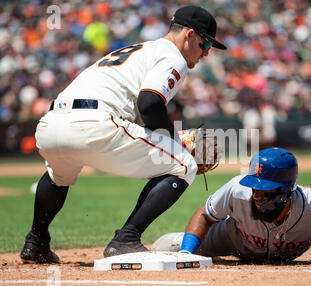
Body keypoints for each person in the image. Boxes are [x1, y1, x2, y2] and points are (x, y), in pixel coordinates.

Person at [20, 5, 227, 264]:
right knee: (184, 165)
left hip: (52, 125)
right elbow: (150, 103)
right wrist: (174, 142)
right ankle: (126, 239)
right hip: (95, 124)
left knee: (58, 175)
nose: (206, 52)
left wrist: (165, 139)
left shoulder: (139, 50)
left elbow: (140, 107)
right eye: (205, 43)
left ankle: (36, 241)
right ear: (189, 34)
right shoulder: (173, 56)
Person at [153, 147, 311, 264]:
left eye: (265, 190)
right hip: (232, 237)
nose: (257, 196)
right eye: (254, 188)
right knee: (166, 246)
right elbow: (205, 214)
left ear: (287, 190)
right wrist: (186, 252)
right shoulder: (237, 190)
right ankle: (177, 242)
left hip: (280, 248)